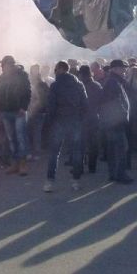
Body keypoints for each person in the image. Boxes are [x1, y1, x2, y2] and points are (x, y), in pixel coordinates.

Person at [43, 60, 87, 192]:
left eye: (55, 70)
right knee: (76, 152)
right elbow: (85, 105)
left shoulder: (55, 86)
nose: (55, 72)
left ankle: (49, 182)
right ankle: (75, 181)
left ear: (60, 69)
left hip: (59, 121)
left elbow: (51, 107)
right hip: (75, 121)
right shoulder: (79, 84)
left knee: (54, 153)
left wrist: (48, 124)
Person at [0, 55, 32, 176]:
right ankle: (15, 163)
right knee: (12, 138)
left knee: (21, 137)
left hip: (18, 111)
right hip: (6, 111)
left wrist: (23, 107)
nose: (1, 68)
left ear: (10, 65)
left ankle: (23, 164)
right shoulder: (2, 77)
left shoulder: (22, 75)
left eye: (3, 65)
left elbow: (27, 91)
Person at [99, 59, 132, 184]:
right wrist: (123, 114)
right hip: (116, 121)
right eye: (122, 68)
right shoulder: (113, 83)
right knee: (121, 148)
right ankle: (120, 174)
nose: (124, 71)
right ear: (115, 69)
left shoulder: (113, 81)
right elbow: (115, 102)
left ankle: (114, 173)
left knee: (113, 149)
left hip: (111, 121)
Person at [78, 64, 102, 174]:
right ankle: (92, 166)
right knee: (93, 144)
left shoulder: (78, 86)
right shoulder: (97, 85)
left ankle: (79, 166)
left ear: (81, 74)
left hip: (81, 118)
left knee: (80, 144)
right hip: (94, 117)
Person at [28, 64, 49, 158]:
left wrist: (33, 108)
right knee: (34, 132)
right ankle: (34, 152)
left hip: (37, 112)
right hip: (35, 111)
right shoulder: (42, 83)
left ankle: (35, 152)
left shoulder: (40, 84)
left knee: (35, 132)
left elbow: (43, 99)